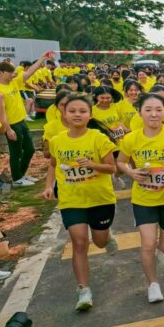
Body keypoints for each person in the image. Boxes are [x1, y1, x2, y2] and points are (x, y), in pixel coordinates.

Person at [117, 93, 164, 303]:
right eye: (148, 109)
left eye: (158, 109)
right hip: (145, 198)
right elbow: (121, 162)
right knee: (148, 244)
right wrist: (131, 172)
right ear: (140, 112)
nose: (154, 114)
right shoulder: (131, 138)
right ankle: (152, 284)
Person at [43, 94, 118, 311]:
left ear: (90, 115)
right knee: (79, 243)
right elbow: (53, 166)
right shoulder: (57, 140)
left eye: (82, 111)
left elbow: (111, 168)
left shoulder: (99, 138)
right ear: (64, 114)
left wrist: (92, 164)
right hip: (71, 200)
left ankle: (107, 234)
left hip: (100, 199)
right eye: (72, 111)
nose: (77, 114)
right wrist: (49, 186)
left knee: (100, 242)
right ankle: (84, 290)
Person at [0, 51, 53, 186]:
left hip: (22, 122)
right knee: (16, 153)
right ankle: (17, 179)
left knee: (30, 149)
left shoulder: (14, 82)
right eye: (10, 72)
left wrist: (42, 59)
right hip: (12, 125)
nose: (13, 74)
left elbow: (30, 72)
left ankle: (20, 175)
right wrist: (8, 129)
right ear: (1, 73)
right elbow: (0, 114)